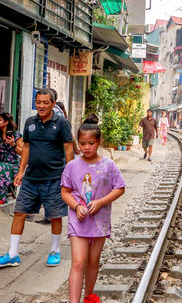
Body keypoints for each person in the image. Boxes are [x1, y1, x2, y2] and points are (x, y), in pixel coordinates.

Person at [0, 88, 74, 269]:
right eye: (38, 102)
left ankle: (54, 250)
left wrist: (70, 175)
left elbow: (68, 149)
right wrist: (21, 172)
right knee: (20, 212)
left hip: (55, 177)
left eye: (46, 102)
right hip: (31, 178)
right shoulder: (30, 122)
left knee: (54, 215)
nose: (41, 106)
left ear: (53, 103)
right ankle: (13, 254)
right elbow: (26, 148)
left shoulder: (62, 124)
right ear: (35, 102)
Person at [61, 115, 125, 303]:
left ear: (99, 142)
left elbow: (120, 188)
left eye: (91, 143)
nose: (86, 147)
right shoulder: (72, 166)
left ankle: (89, 297)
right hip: (78, 219)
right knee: (78, 261)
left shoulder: (109, 165)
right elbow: (65, 192)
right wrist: (76, 206)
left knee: (93, 261)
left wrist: (100, 202)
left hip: (99, 220)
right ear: (77, 143)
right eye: (82, 143)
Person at [0, 113, 24, 208]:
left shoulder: (15, 134)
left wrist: (13, 145)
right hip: (0, 161)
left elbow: (23, 153)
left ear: (6, 122)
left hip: (13, 164)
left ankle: (1, 197)